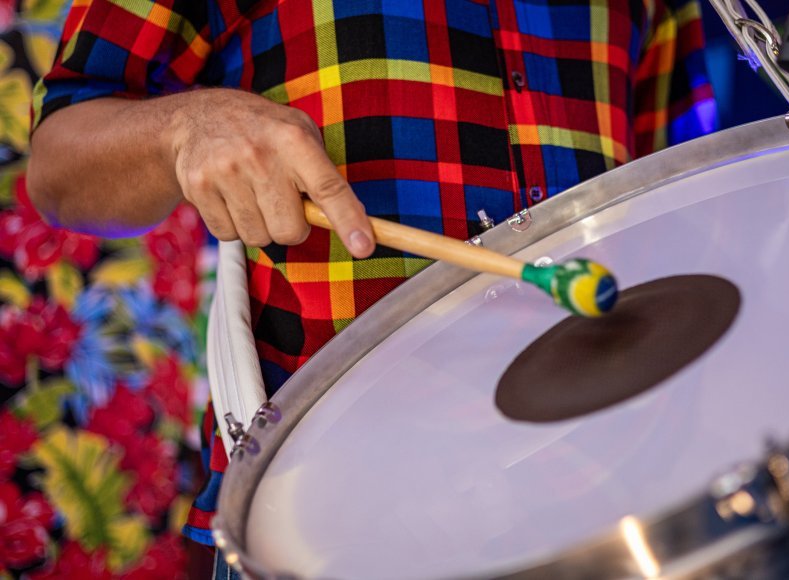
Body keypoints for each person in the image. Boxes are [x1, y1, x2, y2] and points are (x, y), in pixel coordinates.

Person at [28, 0, 716, 575]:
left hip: (616, 506)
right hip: (330, 527)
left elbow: (687, 202)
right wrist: (185, 129)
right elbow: (58, 168)